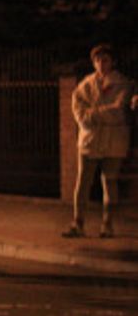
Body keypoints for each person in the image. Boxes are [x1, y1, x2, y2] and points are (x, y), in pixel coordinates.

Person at [63, 43, 134, 238]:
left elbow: (119, 111)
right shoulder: (85, 84)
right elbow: (79, 112)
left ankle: (107, 224)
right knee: (83, 181)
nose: (101, 64)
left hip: (114, 140)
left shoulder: (123, 83)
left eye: (105, 60)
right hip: (90, 139)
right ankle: (77, 223)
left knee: (109, 181)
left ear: (113, 62)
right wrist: (101, 114)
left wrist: (92, 113)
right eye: (97, 60)